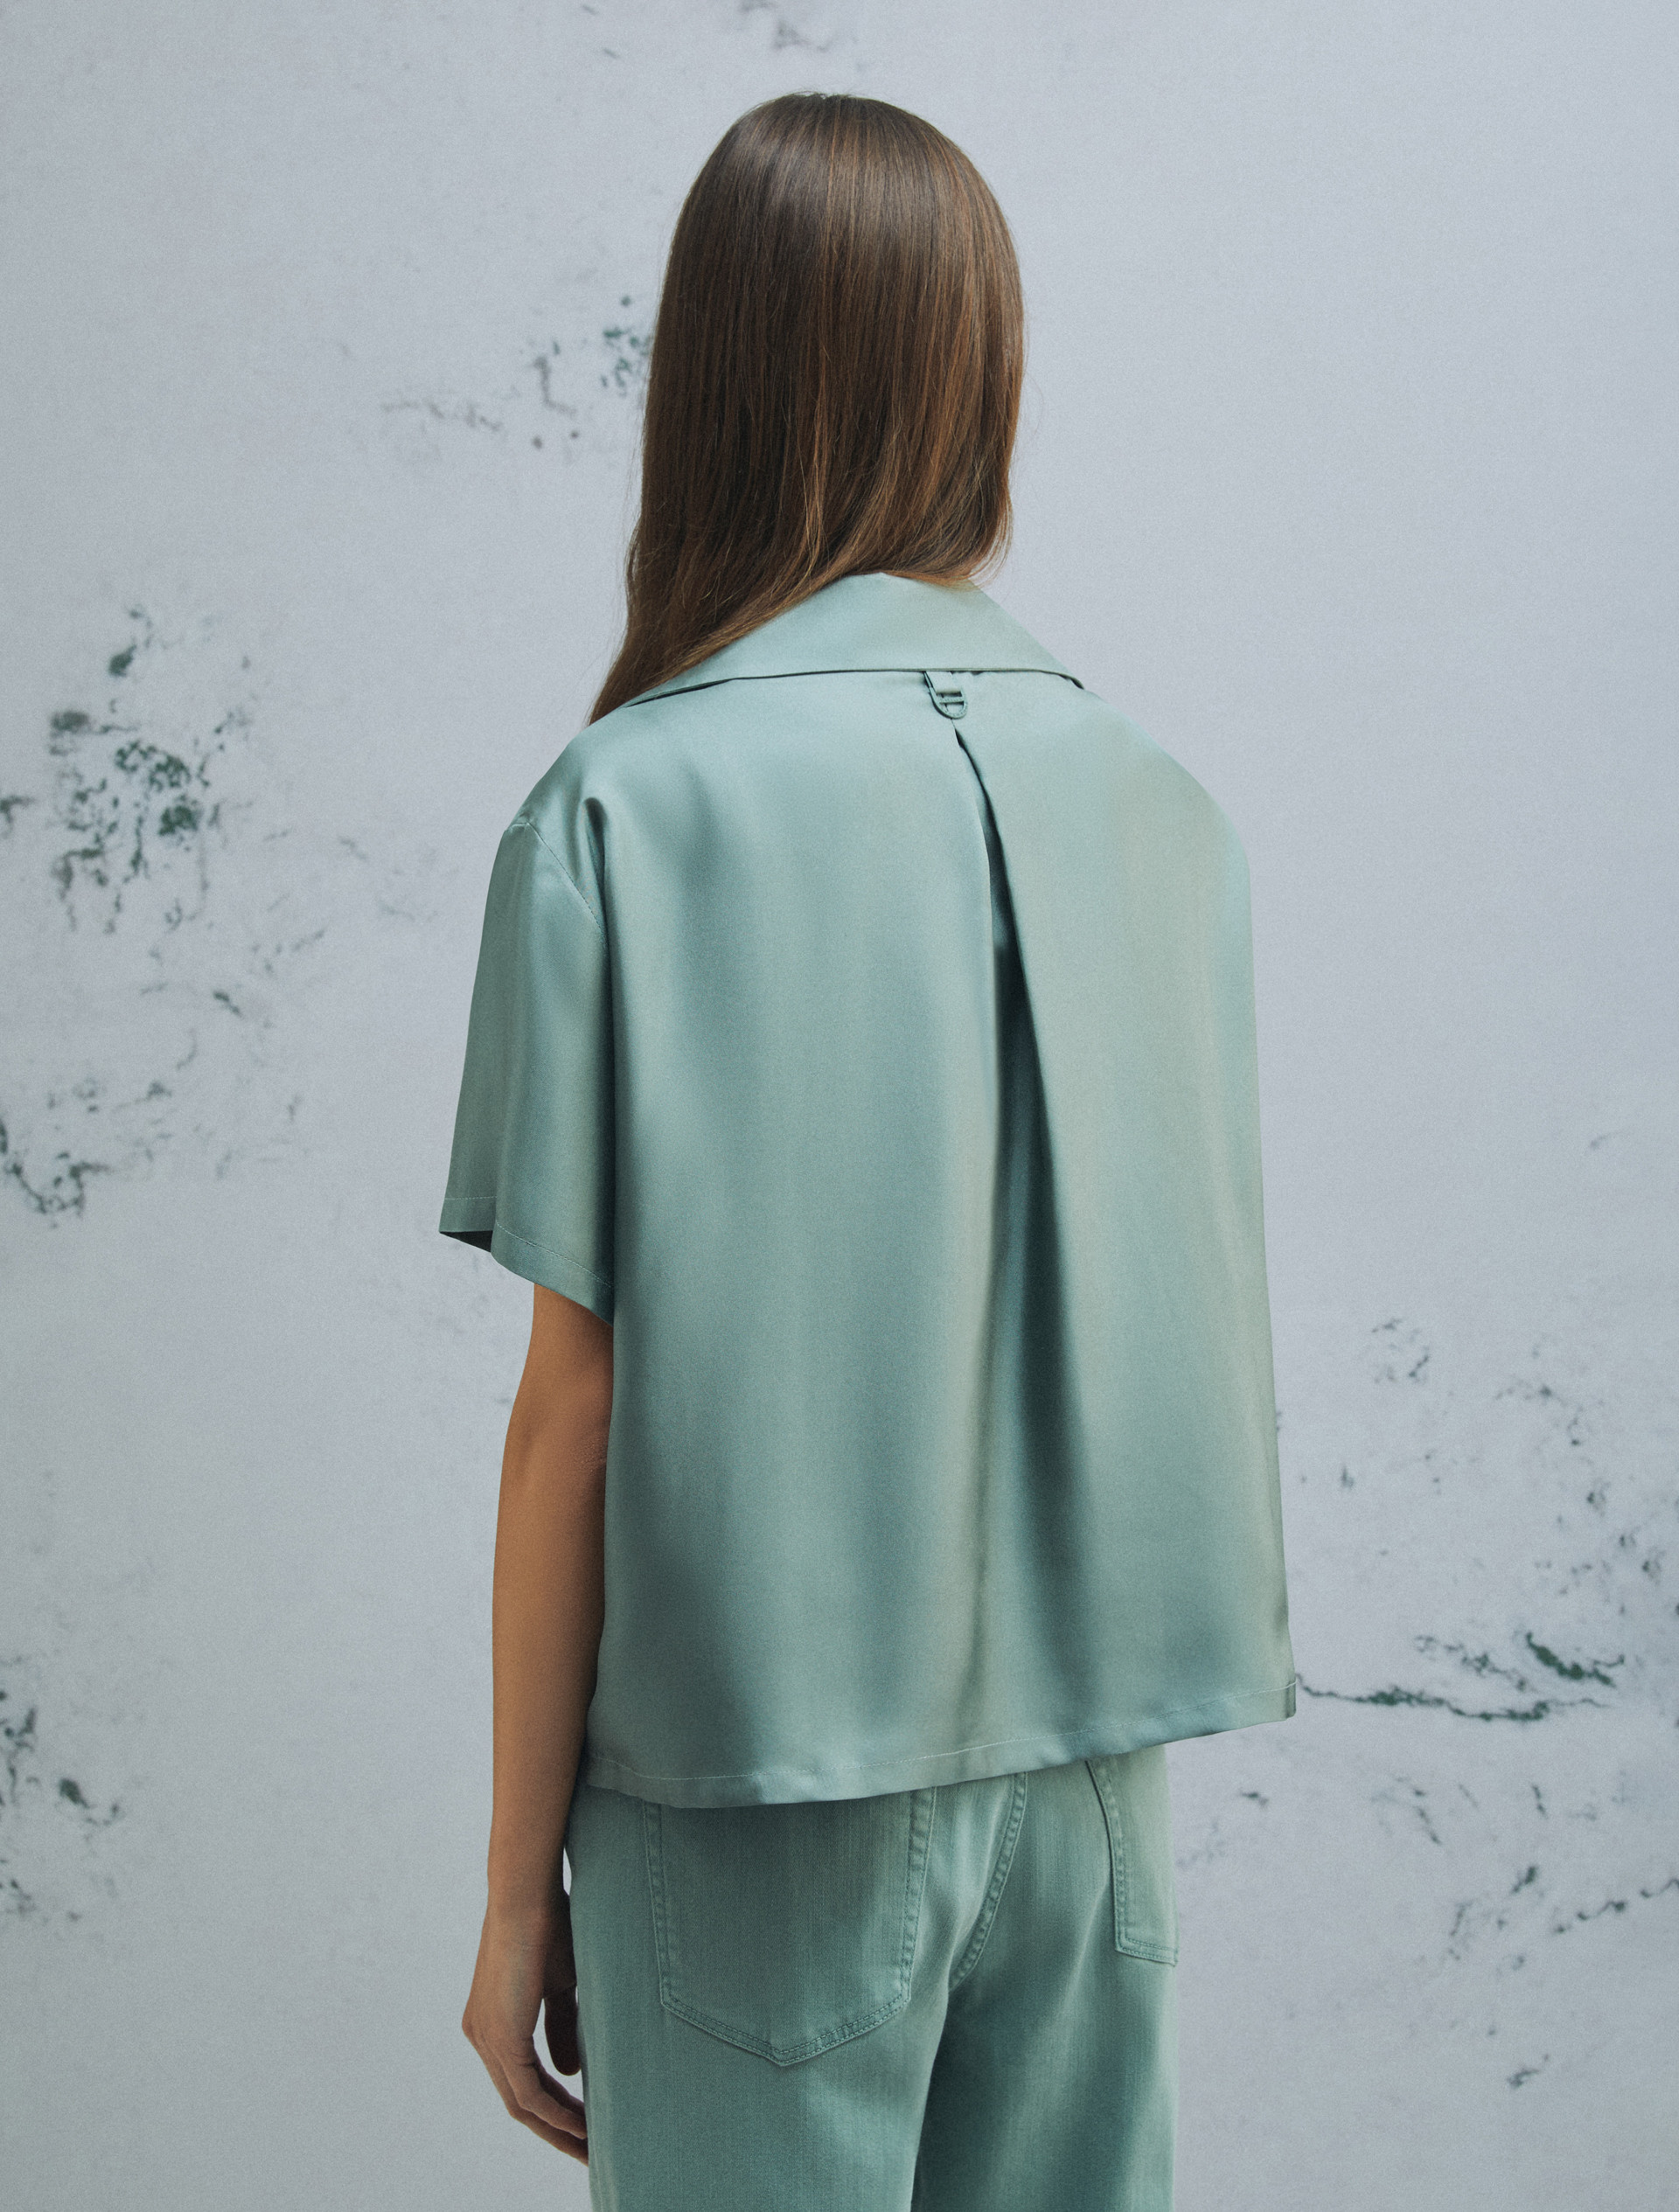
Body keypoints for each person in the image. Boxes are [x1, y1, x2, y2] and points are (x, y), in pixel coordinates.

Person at [439, 90, 1296, 2210]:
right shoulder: (1163, 807)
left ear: (711, 392)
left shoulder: (626, 806)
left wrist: (516, 1899)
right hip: (1096, 1797)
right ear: (980, 377)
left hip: (757, 1803)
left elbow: (576, 1413)